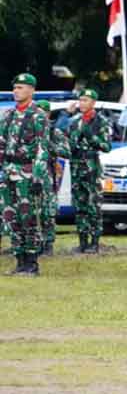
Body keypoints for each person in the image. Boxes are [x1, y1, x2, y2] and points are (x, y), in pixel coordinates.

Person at [0, 73, 51, 275]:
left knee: (28, 217)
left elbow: (42, 148)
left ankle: (32, 262)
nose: (16, 91)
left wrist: (38, 176)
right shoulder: (8, 115)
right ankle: (19, 260)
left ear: (31, 90)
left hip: (27, 172)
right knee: (10, 217)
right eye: (15, 87)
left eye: (20, 87)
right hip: (8, 172)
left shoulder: (38, 116)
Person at [67, 88, 112, 254]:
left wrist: (91, 137)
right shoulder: (74, 121)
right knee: (80, 206)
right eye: (80, 100)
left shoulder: (101, 122)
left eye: (86, 100)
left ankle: (94, 241)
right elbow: (68, 144)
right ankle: (82, 241)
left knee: (93, 205)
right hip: (76, 165)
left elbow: (106, 146)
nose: (82, 103)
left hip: (91, 167)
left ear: (93, 103)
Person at [34, 100, 70, 256]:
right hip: (28, 173)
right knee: (29, 210)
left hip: (47, 174)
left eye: (43, 112)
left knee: (47, 209)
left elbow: (66, 151)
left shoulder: (54, 132)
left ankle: (48, 243)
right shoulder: (30, 129)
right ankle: (30, 243)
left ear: (48, 114)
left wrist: (51, 147)